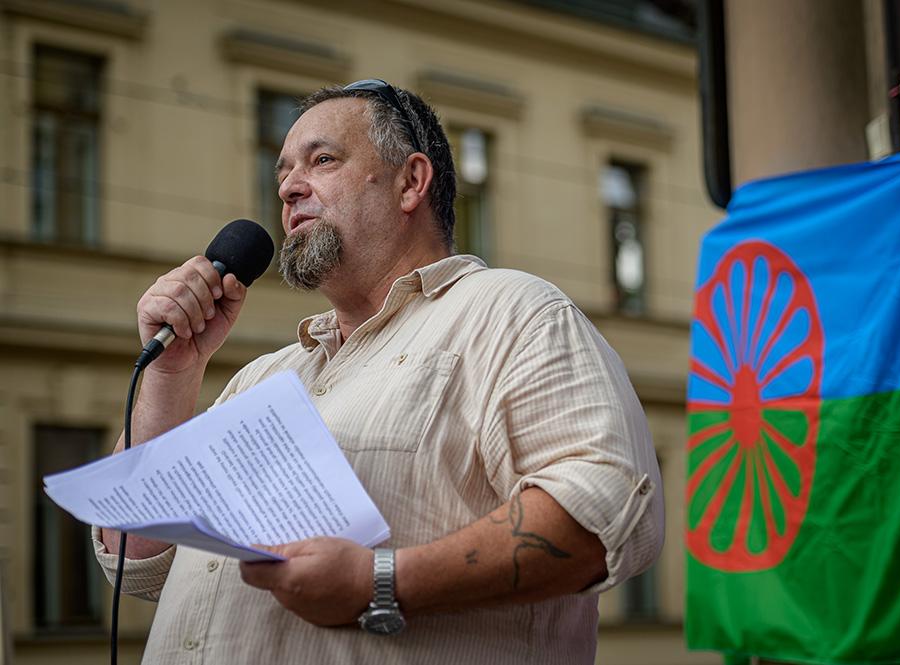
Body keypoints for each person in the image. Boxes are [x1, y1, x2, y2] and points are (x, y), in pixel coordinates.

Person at [93, 79, 664, 664]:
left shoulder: (511, 314)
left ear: (411, 182)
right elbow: (136, 559)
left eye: (322, 160)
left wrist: (380, 583)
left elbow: (608, 508)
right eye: (282, 172)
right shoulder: (260, 379)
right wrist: (170, 375)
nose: (289, 187)